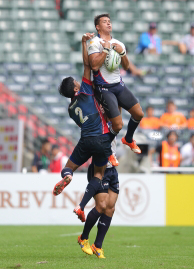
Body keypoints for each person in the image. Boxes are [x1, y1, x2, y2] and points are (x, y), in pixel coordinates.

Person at [52, 33, 113, 218]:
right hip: (101, 138)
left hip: (85, 141)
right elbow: (88, 64)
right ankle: (81, 205)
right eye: (76, 82)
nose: (78, 81)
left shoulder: (71, 109)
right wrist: (84, 43)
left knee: (68, 167)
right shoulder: (86, 91)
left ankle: (68, 177)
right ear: (76, 88)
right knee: (99, 175)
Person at [88, 13, 144, 154]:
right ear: (97, 27)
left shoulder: (119, 43)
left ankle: (129, 139)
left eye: (109, 21)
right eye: (105, 21)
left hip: (118, 85)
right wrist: (106, 50)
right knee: (118, 125)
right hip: (103, 88)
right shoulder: (94, 43)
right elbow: (94, 66)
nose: (108, 23)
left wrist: (123, 53)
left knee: (138, 114)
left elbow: (125, 67)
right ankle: (108, 150)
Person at [77, 138, 119, 259]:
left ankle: (97, 245)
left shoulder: (113, 121)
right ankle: (83, 238)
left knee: (110, 208)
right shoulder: (97, 123)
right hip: (99, 168)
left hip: (112, 170)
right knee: (101, 206)